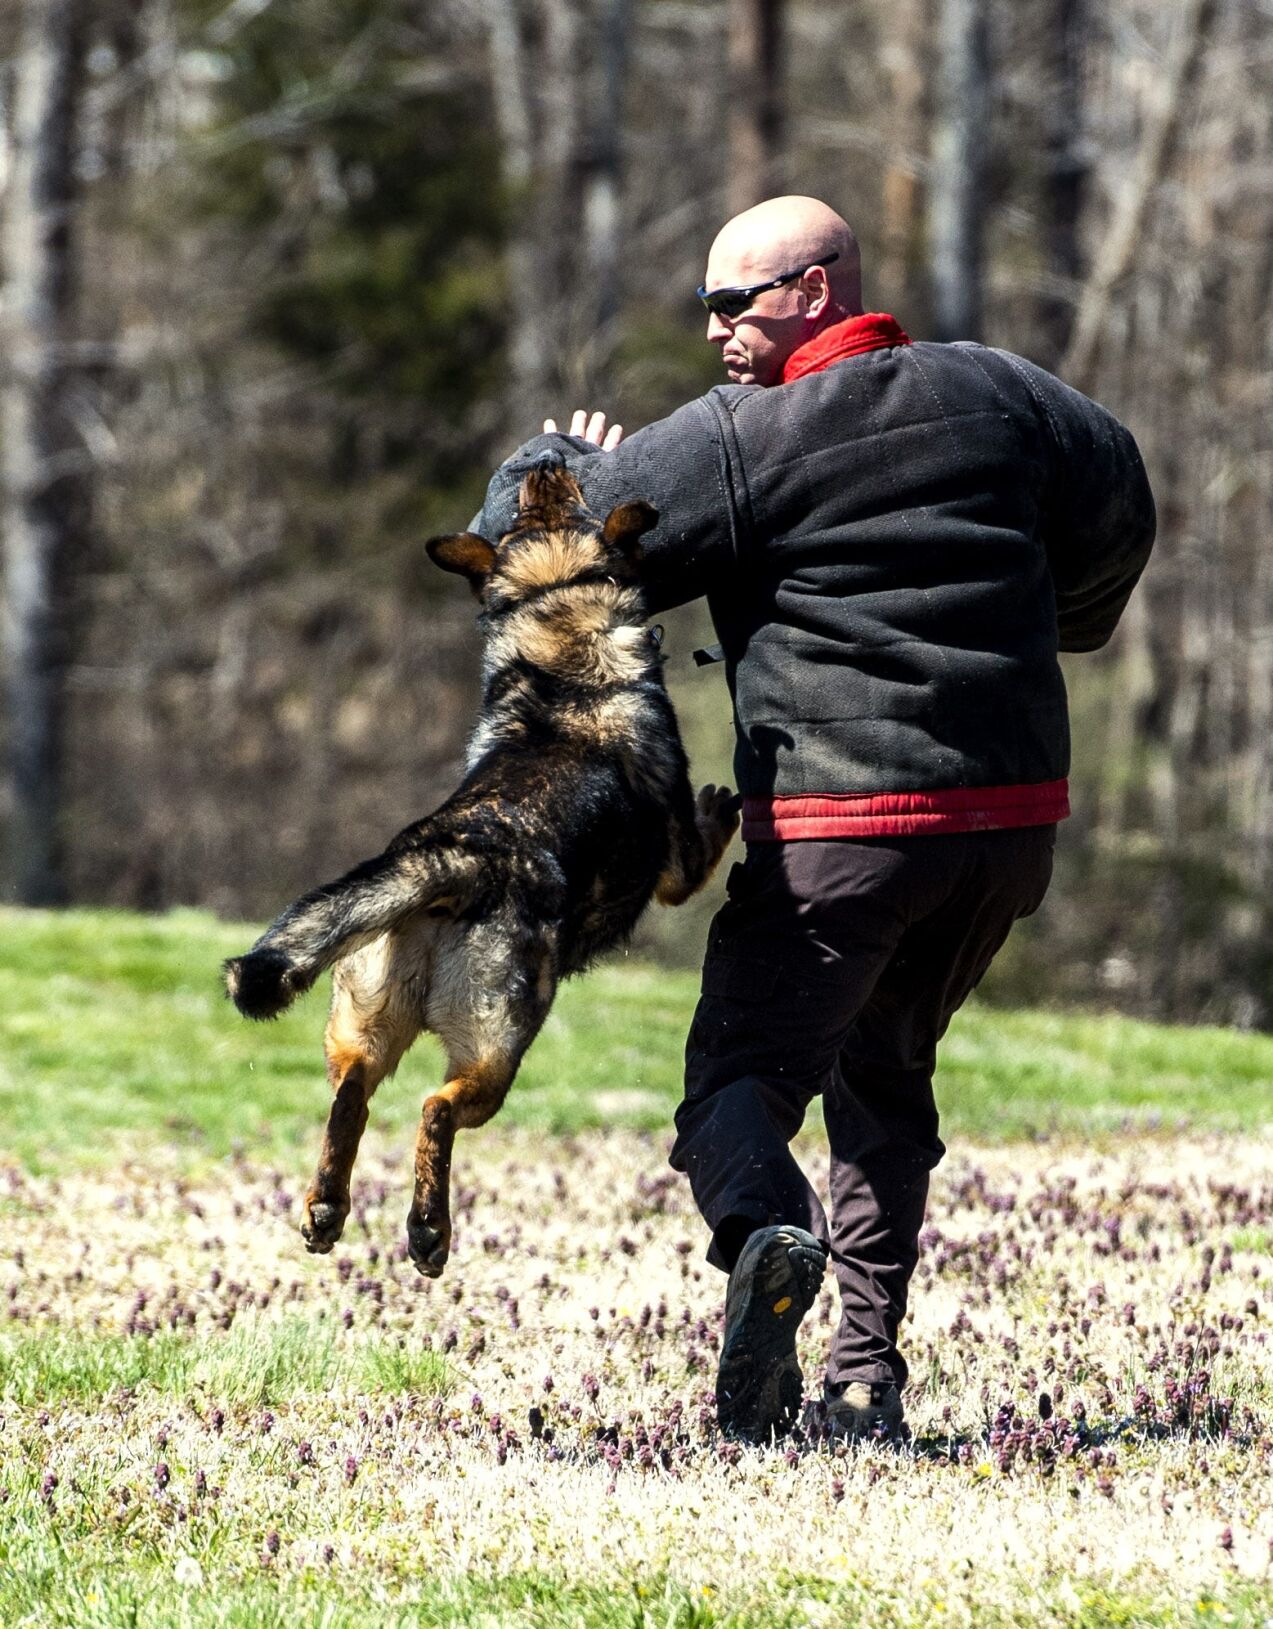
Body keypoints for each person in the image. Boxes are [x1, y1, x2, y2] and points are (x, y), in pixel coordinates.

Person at [471, 195, 1155, 1445]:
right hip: (1008, 828)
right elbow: (1122, 501)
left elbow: (523, 564)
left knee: (738, 1083)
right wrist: (1053, 621)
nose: (717, 329)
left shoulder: (744, 438)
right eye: (707, 307)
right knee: (886, 1076)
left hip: (848, 830)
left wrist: (542, 459)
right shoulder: (1008, 394)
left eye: (739, 301)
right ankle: (861, 1384)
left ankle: (763, 1237)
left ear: (821, 289)